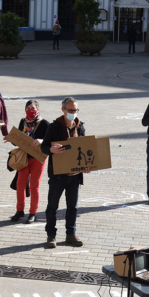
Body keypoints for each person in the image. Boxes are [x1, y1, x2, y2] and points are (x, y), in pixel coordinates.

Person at [40, 97, 90, 248]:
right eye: (70, 110)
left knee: (72, 207)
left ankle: (71, 234)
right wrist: (51, 149)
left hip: (74, 176)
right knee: (52, 207)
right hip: (58, 175)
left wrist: (86, 166)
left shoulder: (80, 127)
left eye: (75, 110)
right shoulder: (54, 127)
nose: (73, 113)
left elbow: (85, 147)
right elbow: (43, 147)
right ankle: (51, 235)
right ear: (63, 110)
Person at [7, 100, 49, 224]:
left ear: (38, 110)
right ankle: (19, 210)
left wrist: (41, 140)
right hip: (24, 158)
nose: (31, 110)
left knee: (34, 186)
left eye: (33, 108)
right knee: (20, 185)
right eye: (28, 108)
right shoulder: (23, 122)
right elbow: (18, 140)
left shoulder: (44, 123)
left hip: (38, 159)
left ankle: (33, 213)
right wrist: (11, 138)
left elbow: (50, 139)